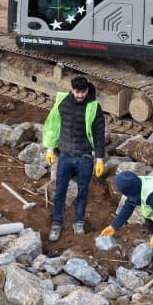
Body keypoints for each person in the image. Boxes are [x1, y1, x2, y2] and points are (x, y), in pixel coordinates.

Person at [42, 75, 106, 242]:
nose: (80, 96)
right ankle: (57, 223)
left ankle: (78, 222)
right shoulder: (62, 102)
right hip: (65, 155)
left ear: (87, 90)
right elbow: (54, 126)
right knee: (60, 191)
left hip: (84, 157)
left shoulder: (94, 107)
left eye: (83, 92)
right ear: (71, 89)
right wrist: (50, 148)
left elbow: (99, 134)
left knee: (82, 191)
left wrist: (99, 158)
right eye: (77, 92)